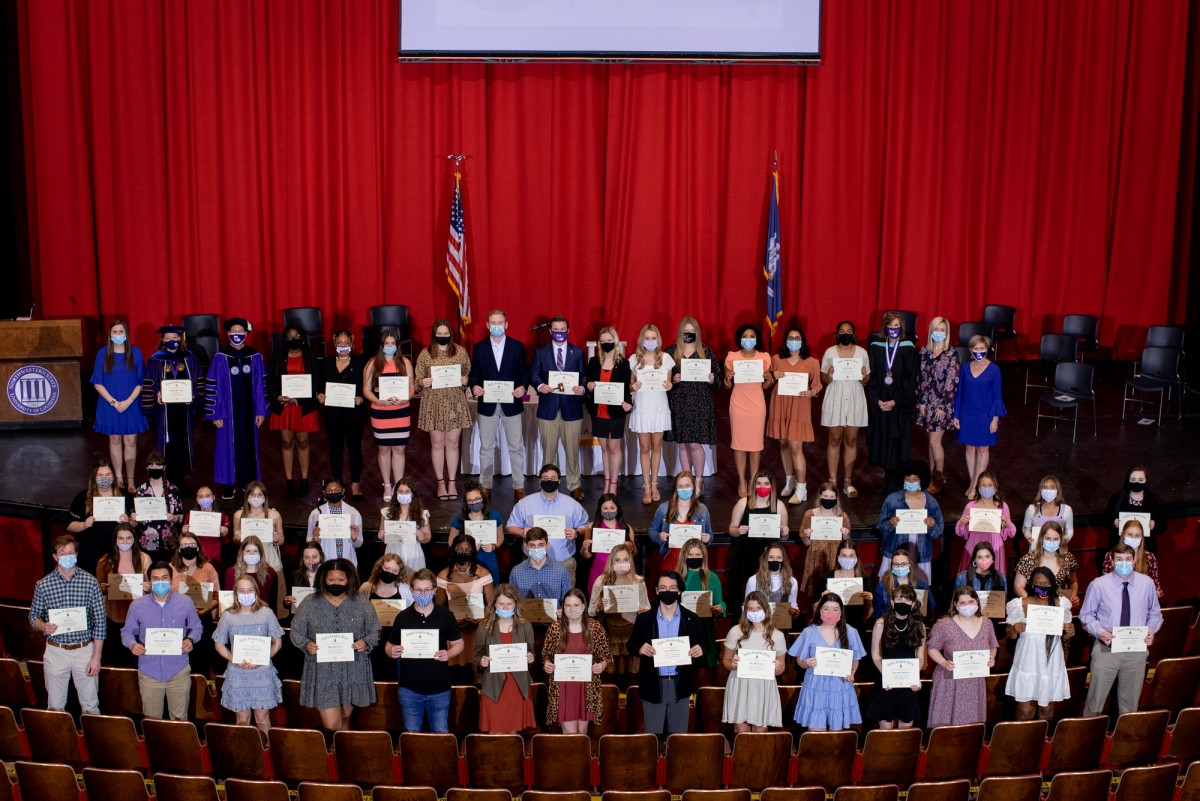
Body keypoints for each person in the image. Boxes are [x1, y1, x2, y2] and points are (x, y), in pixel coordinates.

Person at [290, 558, 380, 731]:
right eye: (331, 580)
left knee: (346, 718)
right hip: (323, 670)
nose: (336, 583)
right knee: (332, 725)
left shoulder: (361, 603)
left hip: (353, 669)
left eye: (341, 580)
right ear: (323, 578)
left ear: (349, 579)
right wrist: (306, 644)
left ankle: (342, 755)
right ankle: (337, 753)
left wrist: (365, 643)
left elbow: (375, 630)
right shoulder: (310, 602)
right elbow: (296, 630)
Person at [1080, 543, 1162, 716]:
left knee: (1130, 706)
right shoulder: (1098, 585)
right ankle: (1091, 740)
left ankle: (1123, 741)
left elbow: (1155, 614)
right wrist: (1101, 632)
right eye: (1119, 559)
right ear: (1112, 560)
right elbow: (1086, 616)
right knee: (1095, 704)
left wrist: (1151, 630)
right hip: (1106, 650)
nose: (1123, 563)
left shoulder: (1146, 584)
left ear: (1134, 560)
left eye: (1127, 559)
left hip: (1136, 651)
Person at [29, 535, 106, 713]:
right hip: (56, 651)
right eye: (63, 553)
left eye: (71, 552)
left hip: (84, 650)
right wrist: (43, 626)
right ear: (55, 557)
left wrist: (96, 657)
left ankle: (91, 740)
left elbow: (100, 622)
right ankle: (59, 741)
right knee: (55, 707)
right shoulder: (43, 585)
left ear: (77, 554)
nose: (67, 556)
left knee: (91, 706)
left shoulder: (90, 582)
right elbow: (33, 616)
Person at [122, 561, 204, 720]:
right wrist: (133, 644)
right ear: (149, 581)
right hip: (149, 671)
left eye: (164, 577)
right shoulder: (137, 605)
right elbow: (126, 632)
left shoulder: (185, 602)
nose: (160, 582)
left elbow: (197, 627)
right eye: (156, 578)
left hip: (178, 670)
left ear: (171, 579)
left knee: (179, 720)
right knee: (152, 721)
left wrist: (190, 640)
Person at [386, 568, 464, 732]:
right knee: (411, 733)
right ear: (411, 590)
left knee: (441, 732)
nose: (423, 593)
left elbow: (459, 643)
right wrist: (391, 652)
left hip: (439, 688)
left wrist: (449, 653)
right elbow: (389, 645)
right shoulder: (403, 617)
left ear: (435, 590)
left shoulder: (446, 616)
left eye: (427, 590)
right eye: (419, 590)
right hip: (409, 688)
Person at [629, 570, 705, 737]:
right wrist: (640, 648)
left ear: (679, 591)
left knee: (678, 738)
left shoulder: (692, 618)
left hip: (680, 684)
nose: (667, 591)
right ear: (656, 590)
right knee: (652, 737)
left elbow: (702, 645)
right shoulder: (644, 619)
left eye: (672, 588)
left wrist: (700, 649)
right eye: (663, 587)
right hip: (653, 684)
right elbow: (631, 645)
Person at [468, 309, 531, 498]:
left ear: (506, 324)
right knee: (486, 447)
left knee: (516, 446)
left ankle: (519, 485)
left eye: (500, 322)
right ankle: (485, 486)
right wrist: (475, 386)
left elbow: (524, 372)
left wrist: (523, 387)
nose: (497, 326)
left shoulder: (517, 347)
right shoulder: (479, 348)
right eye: (493, 323)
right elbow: (474, 374)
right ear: (487, 325)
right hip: (487, 403)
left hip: (511, 403)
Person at [205, 317, 268, 500]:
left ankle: (248, 482)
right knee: (226, 448)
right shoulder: (220, 357)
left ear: (246, 333)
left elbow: (260, 386)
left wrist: (261, 411)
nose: (237, 334)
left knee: (250, 447)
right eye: (234, 331)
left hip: (249, 412)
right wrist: (216, 413)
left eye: (241, 331)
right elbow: (213, 386)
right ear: (228, 333)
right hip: (228, 412)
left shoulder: (255, 356)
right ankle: (229, 483)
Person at [212, 574, 284, 735]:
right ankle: (246, 754)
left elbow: (277, 643)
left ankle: (266, 752)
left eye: (249, 590)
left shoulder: (266, 613)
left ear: (256, 592)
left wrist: (264, 658)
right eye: (242, 591)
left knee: (262, 718)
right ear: (236, 593)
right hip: (237, 673)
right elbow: (219, 644)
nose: (246, 594)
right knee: (242, 719)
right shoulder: (228, 615)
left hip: (262, 673)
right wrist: (234, 659)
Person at [788, 592, 866, 731]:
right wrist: (806, 663)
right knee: (816, 734)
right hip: (815, 686)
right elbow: (800, 659)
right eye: (826, 608)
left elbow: (855, 659)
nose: (830, 613)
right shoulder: (809, 632)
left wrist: (852, 672)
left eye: (835, 609)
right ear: (819, 610)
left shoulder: (851, 632)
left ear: (841, 612)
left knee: (835, 736)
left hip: (840, 686)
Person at [530, 316, 588, 500]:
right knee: (549, 451)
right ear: (550, 331)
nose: (559, 332)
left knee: (572, 450)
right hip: (548, 408)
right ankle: (549, 483)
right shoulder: (541, 352)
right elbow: (534, 374)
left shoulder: (577, 352)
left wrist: (582, 387)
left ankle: (574, 484)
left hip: (571, 409)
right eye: (556, 329)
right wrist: (540, 386)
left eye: (563, 329)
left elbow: (583, 376)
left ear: (568, 330)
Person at [1005, 566, 1073, 721]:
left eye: (1046, 584)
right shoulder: (1020, 604)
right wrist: (1015, 629)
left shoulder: (1061, 604)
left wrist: (1070, 632)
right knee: (1025, 712)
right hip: (1027, 659)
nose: (1042, 587)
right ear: (1031, 584)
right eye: (1038, 583)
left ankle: (1042, 742)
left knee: (1047, 710)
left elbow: (1066, 637)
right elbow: (1010, 635)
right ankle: (1024, 742)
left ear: (1053, 584)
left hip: (1051, 660)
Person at [416, 319, 473, 500]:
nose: (442, 337)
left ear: (451, 334)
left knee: (453, 443)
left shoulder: (460, 352)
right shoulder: (425, 354)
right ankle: (440, 482)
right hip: (433, 403)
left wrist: (466, 380)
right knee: (438, 443)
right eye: (439, 334)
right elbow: (417, 380)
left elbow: (468, 373)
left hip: (455, 402)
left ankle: (452, 482)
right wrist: (421, 382)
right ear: (434, 335)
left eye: (445, 334)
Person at [926, 586, 998, 727]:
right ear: (955, 604)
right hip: (949, 681)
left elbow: (993, 645)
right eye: (962, 603)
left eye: (971, 601)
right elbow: (932, 647)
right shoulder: (944, 624)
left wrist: (991, 657)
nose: (967, 606)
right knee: (946, 728)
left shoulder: (987, 623)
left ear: (977, 602)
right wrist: (943, 662)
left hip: (974, 682)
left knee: (971, 728)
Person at [141, 324, 203, 487]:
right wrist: (156, 395)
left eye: (174, 338)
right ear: (162, 340)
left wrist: (194, 395)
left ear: (180, 339)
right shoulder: (156, 359)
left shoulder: (190, 358)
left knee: (184, 443)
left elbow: (198, 382)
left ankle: (181, 480)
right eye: (168, 338)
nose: (171, 341)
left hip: (185, 410)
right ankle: (166, 480)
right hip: (164, 412)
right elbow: (149, 384)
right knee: (167, 444)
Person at [506, 464, 589, 585]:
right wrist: (521, 532)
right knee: (533, 602)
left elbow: (584, 526)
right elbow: (511, 526)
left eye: (553, 478)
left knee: (567, 601)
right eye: (545, 478)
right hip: (531, 563)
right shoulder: (525, 503)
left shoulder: (572, 504)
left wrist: (576, 533)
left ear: (559, 481)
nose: (549, 481)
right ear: (540, 480)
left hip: (564, 563)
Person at [665, 316, 721, 494]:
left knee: (695, 444)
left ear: (697, 333)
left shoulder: (707, 352)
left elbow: (718, 383)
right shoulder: (671, 352)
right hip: (679, 402)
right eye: (685, 331)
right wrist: (672, 379)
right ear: (680, 333)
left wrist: (712, 379)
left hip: (700, 403)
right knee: (682, 444)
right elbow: (664, 383)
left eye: (692, 332)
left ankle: (698, 480)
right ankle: (685, 480)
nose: (688, 334)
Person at [542, 589, 610, 732]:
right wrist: (547, 664)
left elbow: (606, 656)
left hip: (587, 687)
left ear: (584, 606)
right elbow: (546, 656)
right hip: (563, 688)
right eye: (568, 605)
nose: (572, 609)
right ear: (563, 607)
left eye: (576, 605)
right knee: (570, 734)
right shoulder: (555, 628)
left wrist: (601, 666)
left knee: (583, 733)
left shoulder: (595, 628)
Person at [92, 319, 149, 489]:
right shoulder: (102, 354)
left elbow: (141, 382)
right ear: (110, 335)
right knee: (115, 439)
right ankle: (119, 479)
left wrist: (129, 401)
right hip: (110, 405)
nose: (118, 335)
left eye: (121, 332)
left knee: (131, 441)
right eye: (115, 332)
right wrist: (114, 402)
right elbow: (97, 382)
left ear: (126, 334)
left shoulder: (136, 354)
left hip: (131, 404)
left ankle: (130, 479)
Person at [866, 313, 920, 494]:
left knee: (897, 443)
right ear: (884, 327)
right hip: (881, 403)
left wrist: (896, 401)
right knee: (883, 442)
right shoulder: (876, 348)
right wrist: (877, 400)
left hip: (898, 405)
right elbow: (871, 376)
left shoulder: (908, 349)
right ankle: (886, 478)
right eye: (890, 325)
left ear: (902, 328)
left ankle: (895, 481)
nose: (894, 329)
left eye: (897, 325)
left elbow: (911, 379)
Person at [768, 325, 822, 504]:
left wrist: (812, 392)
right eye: (790, 338)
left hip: (799, 406)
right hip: (780, 404)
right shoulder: (776, 359)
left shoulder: (812, 362)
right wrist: (773, 375)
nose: (793, 342)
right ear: (785, 341)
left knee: (796, 447)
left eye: (797, 338)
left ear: (802, 341)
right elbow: (767, 380)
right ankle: (789, 482)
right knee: (783, 444)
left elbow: (817, 385)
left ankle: (801, 488)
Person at [475, 583, 537, 733]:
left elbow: (531, 652)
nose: (505, 608)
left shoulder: (525, 626)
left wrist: (531, 657)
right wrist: (481, 661)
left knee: (513, 731)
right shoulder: (484, 627)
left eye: (509, 604)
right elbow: (477, 655)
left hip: (516, 685)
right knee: (495, 730)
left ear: (515, 604)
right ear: (494, 603)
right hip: (493, 685)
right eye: (501, 604)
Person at [722, 590, 787, 732]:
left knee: (760, 733)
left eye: (758, 608)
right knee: (742, 731)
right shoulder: (735, 631)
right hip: (740, 684)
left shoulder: (777, 635)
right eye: (750, 609)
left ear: (766, 609)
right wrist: (733, 664)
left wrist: (777, 667)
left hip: (764, 686)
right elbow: (726, 661)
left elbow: (782, 668)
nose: (754, 612)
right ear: (745, 611)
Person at [267, 325, 320, 498]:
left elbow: (316, 383)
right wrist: (278, 397)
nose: (293, 339)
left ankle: (304, 479)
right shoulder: (278, 357)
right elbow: (270, 382)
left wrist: (301, 399)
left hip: (303, 406)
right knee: (286, 442)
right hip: (284, 406)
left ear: (302, 337)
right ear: (284, 340)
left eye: (296, 336)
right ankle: (289, 480)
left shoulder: (310, 357)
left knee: (303, 442)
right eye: (289, 337)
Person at [362, 328, 415, 498]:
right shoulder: (372, 363)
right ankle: (387, 485)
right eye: (386, 343)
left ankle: (399, 485)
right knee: (384, 450)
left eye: (393, 343)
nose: (390, 346)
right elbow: (366, 390)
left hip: (400, 412)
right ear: (381, 345)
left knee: (399, 449)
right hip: (381, 412)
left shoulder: (405, 363)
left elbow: (412, 387)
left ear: (397, 345)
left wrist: (405, 398)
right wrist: (378, 401)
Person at [724, 323, 775, 498]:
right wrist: (727, 378)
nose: (748, 339)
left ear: (756, 339)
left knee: (755, 445)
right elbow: (728, 384)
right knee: (739, 444)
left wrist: (770, 379)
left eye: (751, 336)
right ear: (739, 338)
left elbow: (767, 385)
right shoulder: (732, 356)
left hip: (756, 404)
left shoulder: (764, 357)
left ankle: (753, 479)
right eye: (745, 336)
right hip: (738, 403)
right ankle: (741, 480)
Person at [727, 470, 789, 612]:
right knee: (747, 593)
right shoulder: (743, 503)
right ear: (753, 485)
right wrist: (739, 530)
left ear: (772, 486)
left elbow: (783, 536)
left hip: (769, 557)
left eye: (766, 483)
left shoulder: (779, 506)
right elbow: (732, 529)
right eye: (758, 483)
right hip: (746, 555)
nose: (762, 486)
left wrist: (785, 532)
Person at [820, 320, 870, 498]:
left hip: (855, 398)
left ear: (854, 334)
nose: (846, 333)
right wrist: (830, 374)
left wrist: (864, 375)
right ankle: (832, 481)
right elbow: (824, 378)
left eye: (849, 331)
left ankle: (848, 481)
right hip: (835, 397)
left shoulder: (862, 352)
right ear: (837, 334)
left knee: (851, 440)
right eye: (842, 331)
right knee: (834, 439)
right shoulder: (830, 352)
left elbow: (866, 380)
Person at [867, 584, 926, 729]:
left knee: (906, 726)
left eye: (907, 600)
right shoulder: (881, 623)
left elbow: (920, 657)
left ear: (913, 604)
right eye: (899, 599)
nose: (903, 603)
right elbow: (875, 655)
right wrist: (888, 676)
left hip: (908, 681)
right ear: (892, 602)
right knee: (885, 726)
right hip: (886, 679)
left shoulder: (920, 626)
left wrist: (914, 677)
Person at [438, 534, 495, 684]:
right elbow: (439, 606)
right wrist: (451, 621)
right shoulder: (443, 575)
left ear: (473, 552)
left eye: (468, 550)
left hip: (477, 626)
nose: (463, 553)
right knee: (454, 672)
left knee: (477, 672)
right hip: (453, 628)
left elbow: (491, 605)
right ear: (453, 550)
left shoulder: (483, 573)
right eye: (459, 549)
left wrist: (479, 620)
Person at [587, 543, 650, 678]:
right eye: (617, 560)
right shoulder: (602, 581)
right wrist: (600, 606)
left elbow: (648, 609)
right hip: (609, 638)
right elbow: (590, 611)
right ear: (612, 561)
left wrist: (641, 610)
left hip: (632, 637)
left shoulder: (638, 581)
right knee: (610, 679)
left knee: (631, 679)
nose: (622, 563)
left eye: (626, 560)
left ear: (631, 561)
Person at [953, 335, 1005, 496]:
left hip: (986, 414)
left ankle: (976, 485)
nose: (979, 351)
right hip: (967, 413)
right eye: (976, 349)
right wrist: (956, 415)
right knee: (969, 448)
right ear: (970, 350)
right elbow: (960, 393)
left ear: (987, 349)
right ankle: (973, 481)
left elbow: (997, 396)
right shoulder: (965, 368)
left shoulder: (995, 370)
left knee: (983, 449)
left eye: (982, 348)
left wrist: (995, 419)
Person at [629, 323, 675, 503]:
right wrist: (634, 387)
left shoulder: (666, 358)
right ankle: (646, 487)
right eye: (647, 338)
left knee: (657, 447)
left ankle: (655, 484)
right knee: (644, 448)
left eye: (653, 338)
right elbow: (630, 385)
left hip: (659, 407)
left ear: (658, 339)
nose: (650, 341)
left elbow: (669, 383)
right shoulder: (634, 359)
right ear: (642, 340)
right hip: (642, 407)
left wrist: (669, 386)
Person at [318, 329, 367, 499]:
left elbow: (366, 387)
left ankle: (355, 485)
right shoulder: (325, 363)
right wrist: (320, 395)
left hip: (354, 414)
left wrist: (362, 398)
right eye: (340, 343)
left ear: (352, 344)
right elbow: (318, 385)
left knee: (355, 449)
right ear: (334, 343)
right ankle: (337, 484)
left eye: (347, 343)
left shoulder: (361, 363)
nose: (343, 346)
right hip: (332, 414)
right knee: (335, 450)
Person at [585, 326, 634, 495]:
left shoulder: (623, 363)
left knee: (614, 447)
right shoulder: (593, 361)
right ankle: (606, 482)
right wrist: (589, 385)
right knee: (604, 448)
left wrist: (629, 404)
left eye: (609, 341)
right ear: (599, 343)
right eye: (603, 341)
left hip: (616, 412)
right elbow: (589, 383)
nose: (606, 344)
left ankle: (613, 483)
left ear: (615, 341)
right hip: (599, 411)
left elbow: (627, 390)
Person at [96, 524, 152, 668]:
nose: (125, 542)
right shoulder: (105, 561)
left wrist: (149, 587)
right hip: (113, 616)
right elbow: (98, 589)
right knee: (115, 661)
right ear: (115, 540)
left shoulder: (144, 558)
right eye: (121, 538)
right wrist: (102, 588)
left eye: (128, 538)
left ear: (134, 539)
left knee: (137, 661)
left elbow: (154, 587)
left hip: (138, 619)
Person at [877, 461, 944, 579]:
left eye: (915, 479)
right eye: (908, 479)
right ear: (902, 480)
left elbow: (939, 531)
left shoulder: (931, 502)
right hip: (895, 552)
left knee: (919, 593)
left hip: (921, 554)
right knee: (890, 589)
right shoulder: (892, 500)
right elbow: (881, 526)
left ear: (921, 480)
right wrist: (890, 524)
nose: (911, 482)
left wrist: (932, 525)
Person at [915, 316, 959, 495]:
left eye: (942, 330)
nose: (939, 333)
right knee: (930, 443)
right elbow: (920, 379)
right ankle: (932, 476)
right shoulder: (924, 352)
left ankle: (939, 478)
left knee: (935, 442)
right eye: (936, 329)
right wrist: (921, 402)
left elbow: (952, 382)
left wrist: (941, 405)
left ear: (946, 333)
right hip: (926, 404)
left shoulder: (951, 353)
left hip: (942, 405)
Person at [67, 460, 132, 575]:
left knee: (115, 589)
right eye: (100, 475)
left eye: (108, 475)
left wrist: (129, 522)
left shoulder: (124, 495)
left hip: (117, 553)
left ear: (113, 476)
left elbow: (136, 522)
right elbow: (70, 525)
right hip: (89, 555)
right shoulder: (82, 497)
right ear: (94, 477)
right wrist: (83, 524)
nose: (104, 478)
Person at [171, 532, 221, 676]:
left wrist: (205, 610)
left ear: (198, 548)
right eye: (185, 545)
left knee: (201, 663)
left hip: (203, 619)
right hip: (177, 622)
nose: (189, 548)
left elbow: (217, 597)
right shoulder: (170, 569)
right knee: (180, 664)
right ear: (179, 549)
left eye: (192, 545)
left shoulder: (208, 568)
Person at [362, 553, 415, 680]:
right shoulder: (366, 587)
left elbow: (412, 614)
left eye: (395, 570)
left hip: (394, 640)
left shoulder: (405, 590)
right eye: (387, 569)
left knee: (392, 675)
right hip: (371, 641)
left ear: (399, 573)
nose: (390, 572)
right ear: (380, 568)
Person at [677, 539, 726, 676]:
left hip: (705, 626)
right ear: (684, 556)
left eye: (698, 555)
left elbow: (720, 602)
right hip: (681, 625)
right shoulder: (676, 577)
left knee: (703, 671)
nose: (694, 558)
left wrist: (720, 608)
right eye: (690, 555)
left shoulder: (712, 577)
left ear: (703, 556)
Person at [647, 471, 714, 565]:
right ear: (675, 488)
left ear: (693, 487)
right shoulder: (664, 508)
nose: (684, 489)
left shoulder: (702, 509)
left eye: (687, 485)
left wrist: (708, 538)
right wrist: (660, 536)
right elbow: (652, 531)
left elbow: (710, 534)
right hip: (671, 558)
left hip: (693, 562)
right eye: (680, 486)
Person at [956, 471, 1016, 575]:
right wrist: (962, 522)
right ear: (978, 487)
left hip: (995, 545)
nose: (986, 488)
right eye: (983, 485)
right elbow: (960, 531)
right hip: (974, 543)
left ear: (995, 487)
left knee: (993, 580)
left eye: (990, 485)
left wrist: (1007, 523)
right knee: (972, 578)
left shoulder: (1002, 506)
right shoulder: (971, 506)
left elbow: (1011, 532)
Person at [799, 481, 851, 597]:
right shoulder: (810, 514)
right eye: (825, 496)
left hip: (834, 559)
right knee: (814, 596)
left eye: (831, 497)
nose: (828, 499)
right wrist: (807, 535)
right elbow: (807, 543)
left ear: (836, 498)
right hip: (814, 558)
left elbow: (847, 544)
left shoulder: (842, 516)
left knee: (834, 595)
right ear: (820, 496)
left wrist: (846, 535)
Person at [1014, 521, 1080, 608]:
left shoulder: (1068, 558)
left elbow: (1073, 582)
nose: (1052, 542)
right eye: (1048, 538)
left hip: (1059, 608)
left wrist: (1073, 596)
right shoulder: (1028, 559)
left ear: (1061, 539)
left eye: (1056, 539)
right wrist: (1033, 602)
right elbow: (1018, 586)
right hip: (1035, 608)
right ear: (1041, 539)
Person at [133, 451, 185, 561]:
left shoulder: (173, 490)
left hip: (169, 542)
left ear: (164, 467)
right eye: (151, 465)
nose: (155, 467)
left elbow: (181, 517)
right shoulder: (141, 490)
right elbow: (137, 519)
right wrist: (134, 517)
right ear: (147, 468)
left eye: (158, 465)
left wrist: (174, 517)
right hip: (147, 542)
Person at [449, 482, 505, 584]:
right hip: (466, 562)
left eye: (477, 499)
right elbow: (450, 543)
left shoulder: (494, 516)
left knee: (491, 590)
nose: (474, 503)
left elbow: (500, 537)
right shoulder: (459, 519)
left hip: (489, 560)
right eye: (470, 501)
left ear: (483, 498)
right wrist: (466, 548)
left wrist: (494, 546)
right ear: (466, 503)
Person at [581, 493, 636, 593]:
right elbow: (586, 556)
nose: (609, 511)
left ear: (617, 508)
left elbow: (635, 552)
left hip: (621, 573)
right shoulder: (592, 527)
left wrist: (630, 547)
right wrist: (585, 548)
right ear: (600, 509)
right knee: (597, 604)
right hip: (598, 571)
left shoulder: (626, 527)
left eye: (612, 508)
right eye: (605, 508)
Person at [819, 540, 877, 634]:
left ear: (857, 558)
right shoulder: (827, 577)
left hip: (856, 628)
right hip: (832, 627)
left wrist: (870, 602)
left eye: (851, 556)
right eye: (844, 556)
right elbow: (815, 610)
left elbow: (867, 615)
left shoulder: (865, 579)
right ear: (838, 557)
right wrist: (821, 599)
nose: (847, 559)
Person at [1105, 465, 1166, 554]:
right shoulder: (1117, 499)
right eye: (1133, 480)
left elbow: (1163, 525)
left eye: (1140, 480)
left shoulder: (1155, 501)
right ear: (1128, 480)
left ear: (1146, 481)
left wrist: (1154, 526)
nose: (1137, 483)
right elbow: (1106, 520)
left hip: (1146, 548)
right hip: (1119, 548)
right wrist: (1114, 523)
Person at [306, 478, 364, 567]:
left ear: (343, 491)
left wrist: (354, 539)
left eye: (337, 490)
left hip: (347, 561)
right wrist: (315, 539)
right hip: (325, 561)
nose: (333, 493)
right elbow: (309, 541)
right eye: (329, 491)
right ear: (324, 493)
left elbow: (359, 544)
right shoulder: (316, 513)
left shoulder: (353, 513)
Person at [232, 481, 285, 577]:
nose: (256, 498)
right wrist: (237, 537)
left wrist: (276, 539)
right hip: (247, 558)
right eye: (253, 494)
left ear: (264, 497)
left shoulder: (274, 515)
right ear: (247, 497)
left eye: (259, 495)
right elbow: (235, 540)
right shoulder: (238, 515)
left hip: (269, 558)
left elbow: (281, 540)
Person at [508, 528, 573, 604]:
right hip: (525, 615)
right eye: (532, 545)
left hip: (554, 615)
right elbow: (512, 600)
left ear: (547, 545)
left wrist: (562, 610)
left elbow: (567, 600)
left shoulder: (561, 570)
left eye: (540, 545)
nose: (537, 549)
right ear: (526, 546)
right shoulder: (516, 572)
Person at [379, 478, 431, 571]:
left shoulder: (422, 513)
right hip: (392, 553)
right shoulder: (387, 512)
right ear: (396, 493)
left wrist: (422, 537)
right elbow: (383, 535)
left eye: (407, 491)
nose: (403, 494)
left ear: (413, 494)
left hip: (413, 554)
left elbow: (428, 536)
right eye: (400, 491)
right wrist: (381, 535)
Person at [872, 545, 933, 622]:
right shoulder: (882, 586)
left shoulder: (921, 585)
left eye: (903, 564)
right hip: (890, 625)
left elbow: (930, 609)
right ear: (892, 566)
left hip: (913, 625)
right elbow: (877, 612)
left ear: (909, 565)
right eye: (896, 564)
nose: (900, 567)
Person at [1103, 519, 1161, 597]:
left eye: (1137, 535)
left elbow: (1156, 587)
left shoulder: (1149, 557)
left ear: (1142, 538)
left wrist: (1154, 593)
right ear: (1123, 535)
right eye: (1129, 534)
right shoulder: (1110, 556)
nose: (1133, 538)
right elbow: (1104, 585)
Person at [744, 544, 800, 620]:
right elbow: (746, 606)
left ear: (783, 559)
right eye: (771, 557)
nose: (775, 560)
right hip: (759, 625)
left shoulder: (792, 581)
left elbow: (793, 605)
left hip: (781, 625)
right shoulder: (753, 580)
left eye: (779, 557)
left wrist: (794, 612)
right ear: (765, 559)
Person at [225, 536, 278, 616]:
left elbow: (272, 604)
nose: (252, 554)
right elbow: (228, 601)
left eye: (255, 551)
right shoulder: (231, 573)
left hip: (262, 618)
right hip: (237, 617)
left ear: (260, 553)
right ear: (242, 553)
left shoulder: (270, 573)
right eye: (248, 551)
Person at [182, 485, 230, 567]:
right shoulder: (189, 517)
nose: (204, 499)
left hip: (215, 559)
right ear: (197, 500)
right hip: (195, 558)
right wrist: (184, 533)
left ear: (213, 497)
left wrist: (225, 533)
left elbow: (227, 542)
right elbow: (185, 541)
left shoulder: (223, 518)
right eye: (201, 497)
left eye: (207, 496)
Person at [1022, 475, 1075, 548]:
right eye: (1045, 487)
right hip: (1036, 551)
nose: (1048, 490)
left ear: (1058, 490)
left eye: (1052, 487)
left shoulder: (1067, 510)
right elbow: (1025, 528)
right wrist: (1029, 537)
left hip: (1058, 552)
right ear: (1041, 490)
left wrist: (1064, 540)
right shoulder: (1032, 509)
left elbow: (1069, 530)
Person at [284, 541, 325, 615]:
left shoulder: (328, 576)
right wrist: (287, 601)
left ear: (321, 557)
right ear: (302, 559)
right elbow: (287, 602)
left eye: (314, 557)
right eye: (306, 557)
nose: (310, 561)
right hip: (302, 618)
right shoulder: (295, 576)